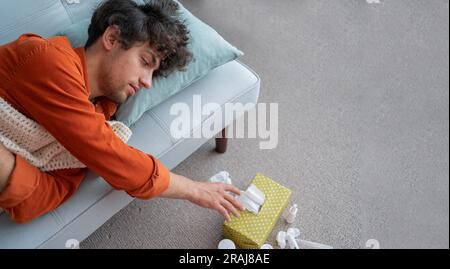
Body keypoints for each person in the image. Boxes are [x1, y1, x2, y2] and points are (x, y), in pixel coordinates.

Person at [0, 0, 243, 224]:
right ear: (112, 37)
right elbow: (111, 155)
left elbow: (50, 194)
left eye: (153, 73)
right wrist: (194, 190)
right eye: (146, 62)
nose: (148, 82)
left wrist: (5, 166)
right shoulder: (47, 60)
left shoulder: (98, 116)